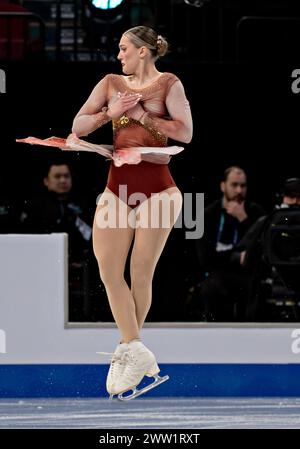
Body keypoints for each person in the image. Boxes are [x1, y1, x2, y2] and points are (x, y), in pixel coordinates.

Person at [70, 26, 192, 399]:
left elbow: (185, 133)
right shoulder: (109, 83)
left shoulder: (169, 83)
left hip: (159, 189)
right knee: (107, 269)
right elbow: (78, 126)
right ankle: (134, 348)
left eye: (124, 49)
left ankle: (128, 351)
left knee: (140, 273)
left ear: (143, 51)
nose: (118, 55)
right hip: (116, 187)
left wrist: (142, 115)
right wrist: (111, 112)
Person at [195, 166, 265, 321]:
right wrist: (236, 257)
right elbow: (205, 258)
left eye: (243, 186)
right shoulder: (208, 215)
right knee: (212, 288)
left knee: (258, 289)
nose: (239, 191)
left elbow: (261, 251)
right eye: (234, 185)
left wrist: (243, 219)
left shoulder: (255, 213)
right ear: (223, 186)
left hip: (247, 277)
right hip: (218, 276)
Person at [237, 177, 300, 320]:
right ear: (283, 197)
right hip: (273, 280)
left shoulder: (268, 220)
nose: (296, 201)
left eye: (299, 197)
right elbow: (246, 259)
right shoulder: (267, 221)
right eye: (292, 196)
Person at [19, 160, 92, 262]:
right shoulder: (35, 207)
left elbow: (91, 236)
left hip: (80, 266)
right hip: (42, 261)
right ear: (46, 181)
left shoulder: (82, 204)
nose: (63, 180)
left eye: (66, 176)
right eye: (57, 176)